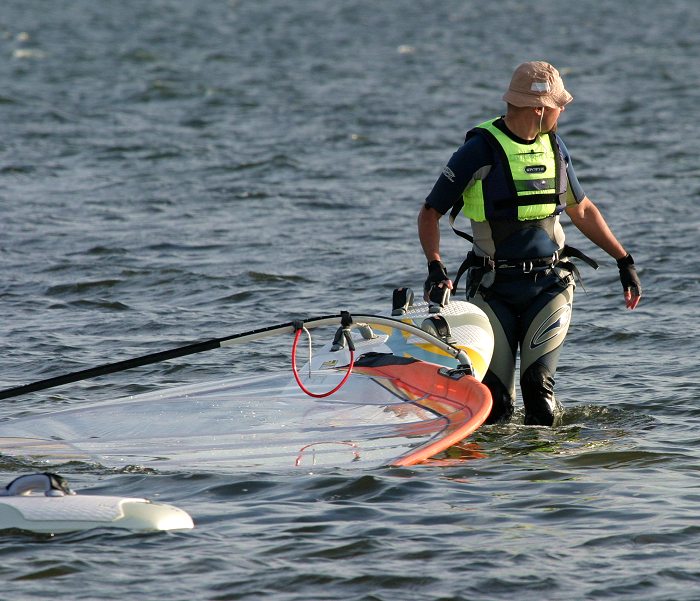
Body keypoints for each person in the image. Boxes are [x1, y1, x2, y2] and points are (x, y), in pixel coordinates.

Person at [417, 61, 642, 426]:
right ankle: (499, 480)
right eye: (559, 105)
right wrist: (435, 266)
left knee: (538, 392)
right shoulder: (479, 151)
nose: (563, 110)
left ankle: (545, 479)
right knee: (497, 406)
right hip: (492, 291)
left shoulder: (555, 146)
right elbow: (430, 212)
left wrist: (624, 261)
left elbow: (582, 209)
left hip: (549, 287)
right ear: (539, 108)